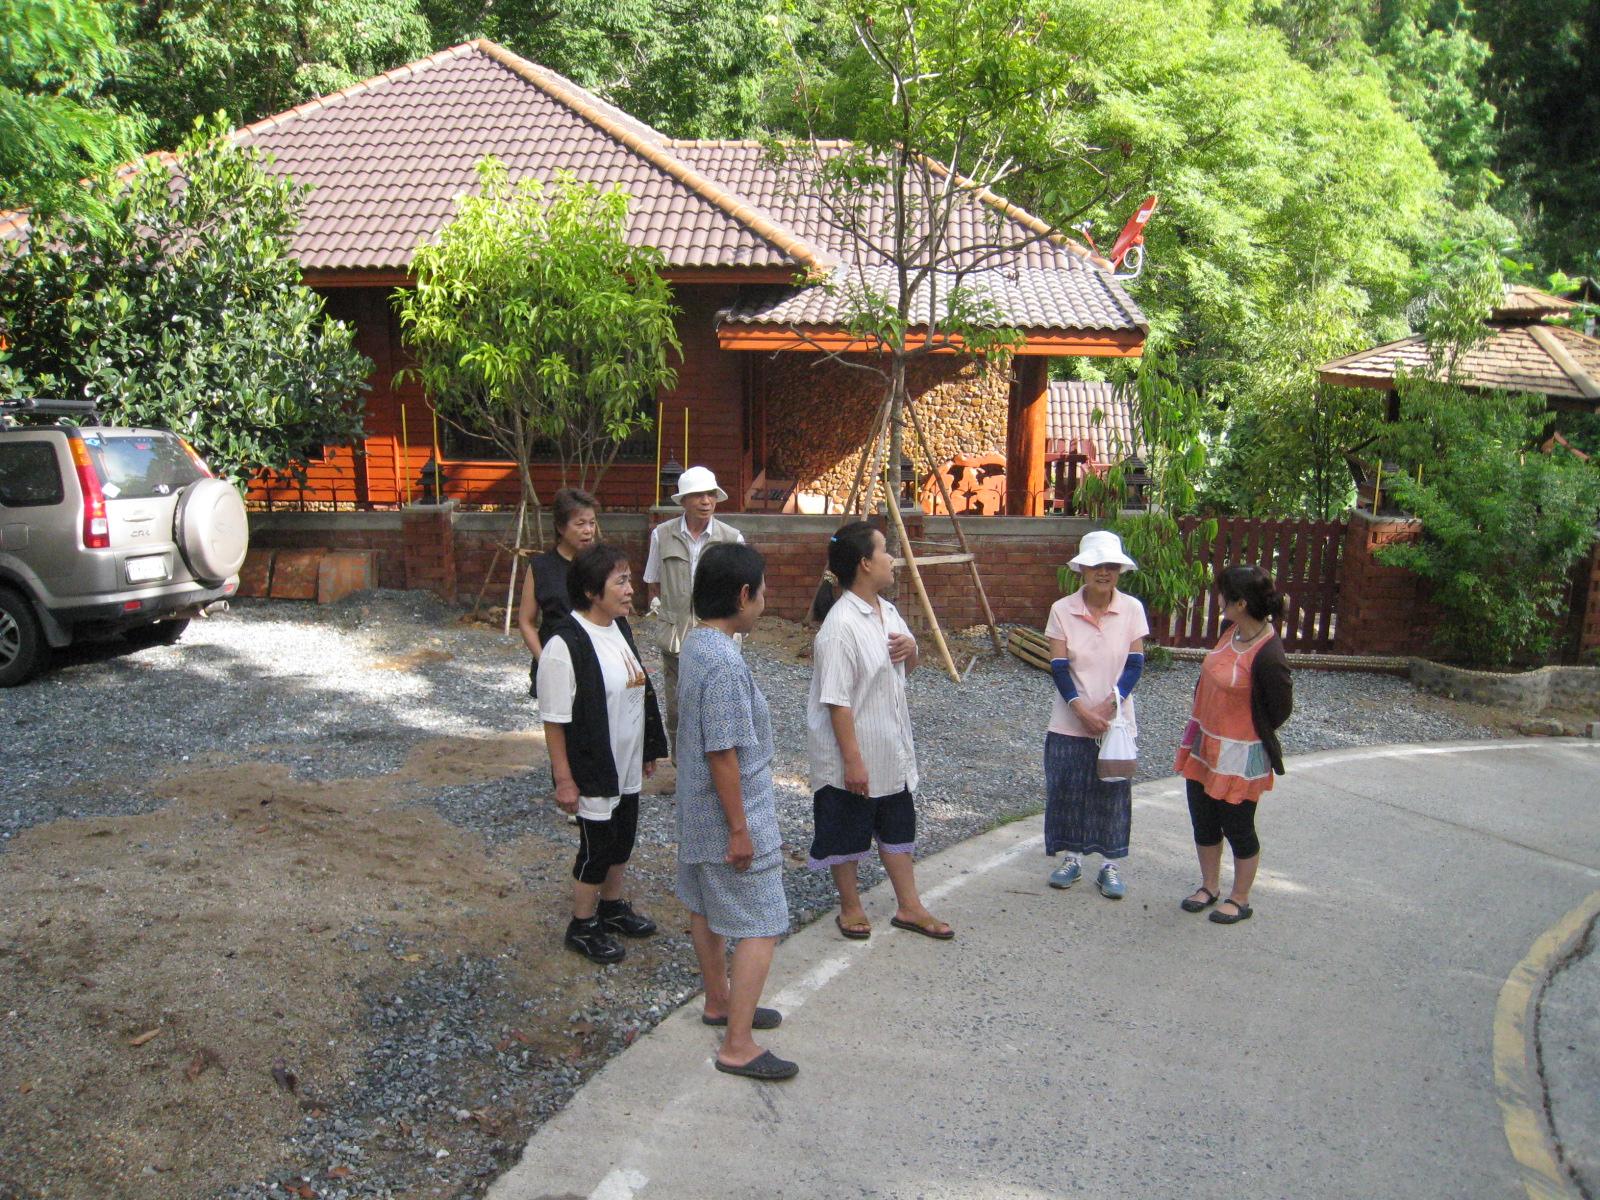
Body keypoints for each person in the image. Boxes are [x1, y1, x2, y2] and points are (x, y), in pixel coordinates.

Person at [675, 543, 797, 1080]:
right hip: (730, 813)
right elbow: (722, 751)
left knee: (705, 904)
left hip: (696, 810)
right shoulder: (723, 661)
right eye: (762, 591)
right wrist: (741, 830)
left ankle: (719, 1001)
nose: (765, 600)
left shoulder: (697, 644)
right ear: (743, 595)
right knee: (762, 923)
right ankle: (738, 1044)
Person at [806, 521, 952, 941]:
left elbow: (904, 666)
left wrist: (914, 650)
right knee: (846, 830)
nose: (893, 559)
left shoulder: (887, 612)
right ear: (865, 564)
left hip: (889, 748)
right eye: (885, 551)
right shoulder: (840, 626)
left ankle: (910, 906)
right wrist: (853, 760)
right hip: (853, 753)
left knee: (897, 825)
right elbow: (837, 699)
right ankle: (850, 907)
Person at [536, 543, 668, 963]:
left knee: (622, 838)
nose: (631, 590)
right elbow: (554, 718)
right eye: (622, 581)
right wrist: (564, 778)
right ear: (593, 591)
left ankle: (610, 908)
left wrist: (648, 745)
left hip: (624, 762)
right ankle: (582, 923)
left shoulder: (618, 629)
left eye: (629, 579)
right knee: (595, 847)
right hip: (593, 765)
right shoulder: (565, 643)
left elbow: (638, 689)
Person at [1174, 564, 1293, 925]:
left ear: (1241, 603)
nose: (1218, 599)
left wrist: (1242, 730)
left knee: (1238, 826)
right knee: (1203, 820)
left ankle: (1240, 898)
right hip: (1205, 743)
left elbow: (1279, 709)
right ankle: (1209, 886)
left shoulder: (1269, 655)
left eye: (1224, 594)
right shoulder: (1230, 630)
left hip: (1239, 755)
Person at [1043, 530, 1150, 899]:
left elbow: (1135, 663)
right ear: (1082, 570)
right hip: (1069, 719)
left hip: (1116, 721)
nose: (1103, 572)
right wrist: (1079, 708)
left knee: (1113, 791)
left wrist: (1109, 704)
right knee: (1068, 788)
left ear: (1119, 570)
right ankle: (1072, 858)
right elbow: (1059, 666)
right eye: (1095, 565)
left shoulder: (1132, 609)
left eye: (1110, 566)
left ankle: (1110, 865)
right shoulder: (1061, 610)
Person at [643, 466, 743, 756]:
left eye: (710, 494)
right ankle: (681, 765)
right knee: (677, 706)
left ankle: (718, 766)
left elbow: (743, 592)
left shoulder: (732, 538)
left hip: (719, 639)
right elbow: (653, 581)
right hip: (676, 637)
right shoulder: (661, 535)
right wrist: (662, 611)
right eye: (698, 495)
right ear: (683, 500)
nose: (706, 501)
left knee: (719, 706)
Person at [516, 487, 599, 695]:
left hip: (595, 660)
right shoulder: (540, 567)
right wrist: (544, 660)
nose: (588, 530)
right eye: (580, 524)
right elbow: (526, 622)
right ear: (561, 527)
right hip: (554, 658)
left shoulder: (601, 564)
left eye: (592, 522)